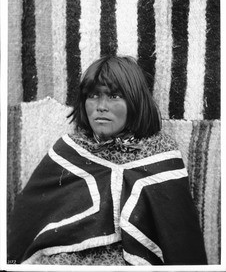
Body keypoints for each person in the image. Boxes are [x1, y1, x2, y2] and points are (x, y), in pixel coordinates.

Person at [7, 56, 207, 265]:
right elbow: (26, 224)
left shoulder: (161, 153)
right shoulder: (70, 151)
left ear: (135, 101)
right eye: (93, 95)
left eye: (114, 96)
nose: (101, 106)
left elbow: (180, 240)